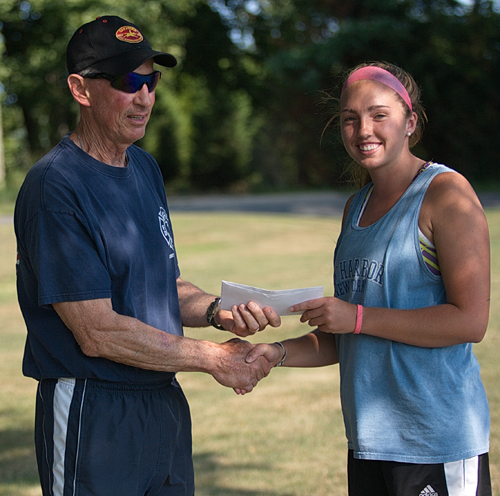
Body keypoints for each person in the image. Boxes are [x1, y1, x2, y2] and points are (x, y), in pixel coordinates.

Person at [14, 15, 280, 496]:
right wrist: (213, 359)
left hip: (162, 402)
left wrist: (221, 313)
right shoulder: (56, 186)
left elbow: (165, 286)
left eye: (151, 80)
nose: (145, 97)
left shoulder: (144, 169)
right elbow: (97, 331)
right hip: (94, 410)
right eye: (127, 81)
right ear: (80, 89)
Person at [245, 61, 492, 496]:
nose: (363, 130)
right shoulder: (355, 208)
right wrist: (275, 352)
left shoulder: (445, 194)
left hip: (434, 442)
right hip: (369, 445)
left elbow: (469, 321)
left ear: (410, 121)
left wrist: (356, 316)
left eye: (379, 115)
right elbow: (350, 335)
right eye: (350, 119)